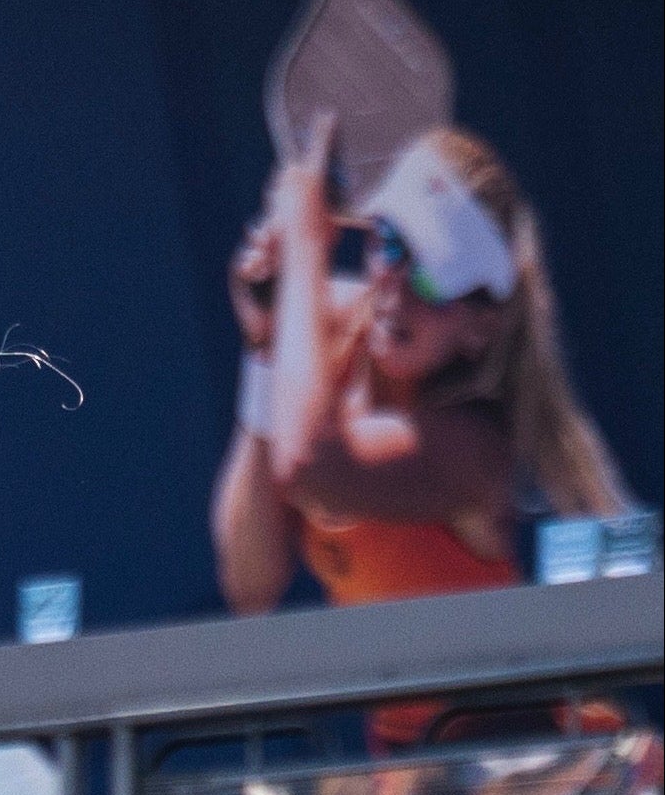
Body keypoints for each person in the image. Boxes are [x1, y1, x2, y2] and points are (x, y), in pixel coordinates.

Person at [213, 120, 629, 618]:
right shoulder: (331, 334)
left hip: (512, 700)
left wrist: (303, 239)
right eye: (388, 239)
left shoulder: (477, 452)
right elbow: (250, 587)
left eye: (432, 275)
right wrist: (264, 346)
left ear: (480, 327)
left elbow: (303, 461)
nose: (395, 283)